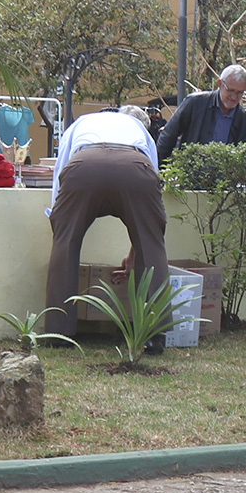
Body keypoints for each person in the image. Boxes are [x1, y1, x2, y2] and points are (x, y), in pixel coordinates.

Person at [43, 106, 170, 353]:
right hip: (135, 167)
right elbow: (152, 180)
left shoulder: (81, 122)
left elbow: (62, 168)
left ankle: (58, 333)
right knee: (152, 244)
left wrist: (59, 220)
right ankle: (152, 335)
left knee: (65, 244)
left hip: (85, 166)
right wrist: (136, 253)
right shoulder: (140, 130)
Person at [156, 64, 246, 162]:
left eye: (239, 92)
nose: (234, 97)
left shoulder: (243, 120)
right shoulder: (195, 103)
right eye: (231, 90)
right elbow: (168, 135)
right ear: (220, 84)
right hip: (190, 169)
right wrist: (159, 166)